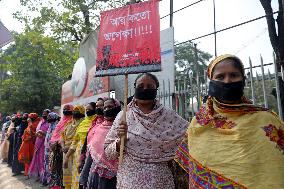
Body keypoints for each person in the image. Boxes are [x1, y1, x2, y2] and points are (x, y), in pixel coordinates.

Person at [175, 54, 284, 188]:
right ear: (211, 81)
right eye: (220, 77)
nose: (227, 81)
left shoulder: (266, 120)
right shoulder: (199, 124)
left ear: (243, 79)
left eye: (233, 75)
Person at [104, 73, 188, 189]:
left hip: (161, 183)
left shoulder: (169, 116)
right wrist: (120, 141)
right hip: (129, 183)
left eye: (150, 87)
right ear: (134, 88)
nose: (145, 89)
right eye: (141, 86)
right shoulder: (123, 116)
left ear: (156, 89)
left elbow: (191, 136)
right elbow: (108, 154)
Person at [86, 98, 121, 189]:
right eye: (104, 108)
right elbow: (91, 153)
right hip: (96, 172)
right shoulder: (100, 128)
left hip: (116, 174)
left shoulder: (122, 127)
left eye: (110, 107)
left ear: (117, 107)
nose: (107, 110)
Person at [63, 102, 96, 189]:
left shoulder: (96, 122)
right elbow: (75, 141)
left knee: (86, 178)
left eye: (90, 109)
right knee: (76, 177)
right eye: (86, 110)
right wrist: (67, 157)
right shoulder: (83, 123)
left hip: (90, 153)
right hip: (77, 154)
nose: (88, 111)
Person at [79, 98, 105, 188]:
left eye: (101, 105)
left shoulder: (110, 124)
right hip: (89, 158)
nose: (99, 108)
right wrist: (82, 157)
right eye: (97, 106)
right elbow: (87, 141)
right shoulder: (94, 123)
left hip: (103, 163)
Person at [49, 104, 73, 189]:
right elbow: (55, 135)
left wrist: (60, 143)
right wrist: (53, 143)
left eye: (68, 109)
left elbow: (68, 137)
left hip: (67, 151)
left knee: (65, 171)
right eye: (65, 109)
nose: (66, 110)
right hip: (57, 150)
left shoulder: (72, 122)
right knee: (57, 169)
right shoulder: (61, 122)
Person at [61, 105, 85, 189]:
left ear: (82, 112)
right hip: (65, 152)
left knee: (75, 174)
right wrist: (63, 146)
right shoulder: (68, 123)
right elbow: (62, 136)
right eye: (74, 111)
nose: (75, 113)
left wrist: (69, 148)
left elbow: (78, 140)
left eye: (78, 111)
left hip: (76, 153)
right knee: (67, 172)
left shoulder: (83, 124)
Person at [29, 109, 51, 183]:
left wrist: (43, 134)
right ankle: (39, 176)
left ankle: (44, 178)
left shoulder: (49, 123)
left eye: (46, 114)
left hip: (44, 145)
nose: (44, 115)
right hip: (38, 144)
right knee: (38, 161)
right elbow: (36, 133)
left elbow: (50, 135)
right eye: (43, 113)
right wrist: (37, 134)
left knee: (43, 162)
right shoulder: (41, 122)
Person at [18, 113, 41, 178]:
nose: (29, 118)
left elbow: (33, 134)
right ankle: (27, 172)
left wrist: (30, 124)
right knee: (26, 158)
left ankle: (31, 172)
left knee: (31, 158)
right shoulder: (30, 124)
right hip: (26, 143)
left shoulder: (36, 124)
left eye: (30, 117)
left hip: (31, 143)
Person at [42, 112, 59, 186]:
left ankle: (51, 183)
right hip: (47, 149)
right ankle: (46, 181)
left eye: (50, 117)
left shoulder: (56, 126)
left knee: (51, 166)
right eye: (48, 117)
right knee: (46, 164)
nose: (48, 118)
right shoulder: (50, 126)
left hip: (52, 150)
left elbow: (54, 138)